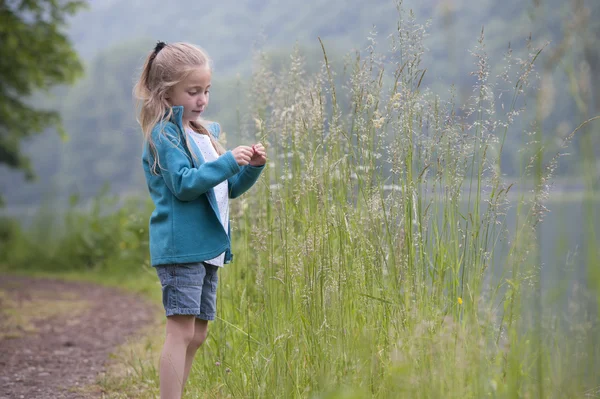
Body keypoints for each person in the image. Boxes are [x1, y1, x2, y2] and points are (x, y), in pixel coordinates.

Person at [133, 41, 266, 399]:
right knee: (180, 330)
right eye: (192, 91)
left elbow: (226, 190)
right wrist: (225, 162)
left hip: (207, 246)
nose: (202, 99)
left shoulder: (205, 134)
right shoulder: (165, 133)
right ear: (165, 92)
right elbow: (184, 185)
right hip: (182, 247)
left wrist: (250, 169)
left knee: (198, 332)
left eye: (206, 90)